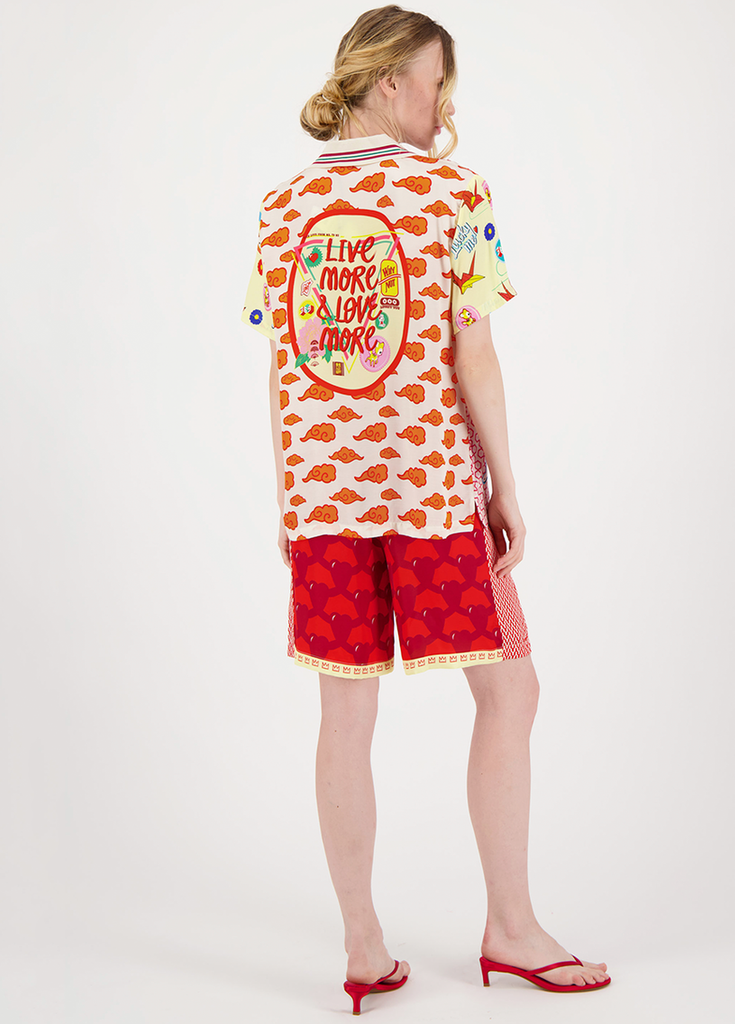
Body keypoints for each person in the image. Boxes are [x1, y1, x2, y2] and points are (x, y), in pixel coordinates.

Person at [240, 5, 610, 1014]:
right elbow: (472, 348)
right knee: (510, 692)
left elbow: (282, 365)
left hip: (324, 495)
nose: (445, 103)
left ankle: (363, 946)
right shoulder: (454, 190)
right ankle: (511, 928)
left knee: (343, 714)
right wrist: (507, 484)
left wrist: (291, 497)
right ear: (392, 80)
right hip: (433, 492)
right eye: (438, 80)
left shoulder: (279, 205)